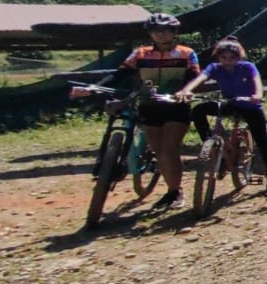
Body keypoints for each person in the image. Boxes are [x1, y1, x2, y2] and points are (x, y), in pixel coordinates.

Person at [70, 12, 199, 211]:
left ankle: (175, 192)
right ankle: (170, 188)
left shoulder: (186, 53)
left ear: (174, 32)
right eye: (156, 31)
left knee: (168, 150)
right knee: (158, 150)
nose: (160, 35)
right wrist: (92, 88)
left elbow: (194, 77)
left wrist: (186, 91)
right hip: (148, 105)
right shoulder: (141, 53)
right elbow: (119, 75)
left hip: (176, 105)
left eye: (165, 31)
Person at [177, 38, 267, 195]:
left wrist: (257, 95)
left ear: (239, 58)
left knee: (262, 141)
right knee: (198, 110)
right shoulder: (214, 68)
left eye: (232, 58)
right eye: (223, 58)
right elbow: (200, 78)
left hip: (250, 106)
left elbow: (256, 82)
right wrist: (187, 90)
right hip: (229, 104)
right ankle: (213, 147)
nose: (227, 61)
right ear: (218, 58)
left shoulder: (248, 67)